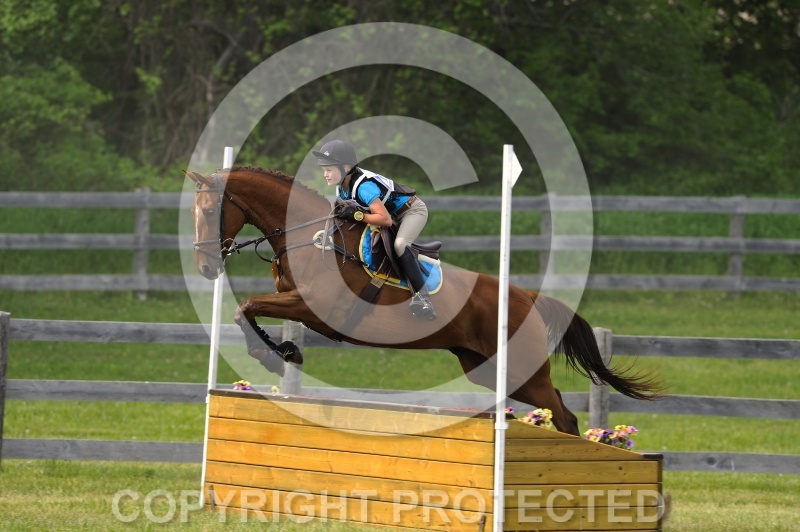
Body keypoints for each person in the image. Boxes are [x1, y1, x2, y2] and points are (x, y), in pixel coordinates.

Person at [312, 139, 437, 320]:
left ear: (345, 168)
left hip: (411, 211)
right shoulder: (342, 189)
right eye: (324, 170)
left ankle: (423, 298)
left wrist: (357, 216)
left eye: (329, 170)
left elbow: (385, 220)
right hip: (389, 214)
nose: (325, 174)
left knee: (400, 245)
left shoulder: (364, 188)